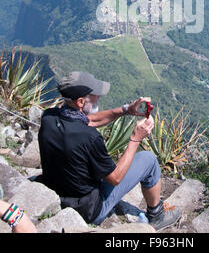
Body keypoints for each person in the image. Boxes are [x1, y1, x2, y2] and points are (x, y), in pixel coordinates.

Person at [38, 71, 181, 231]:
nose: (99, 97)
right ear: (80, 102)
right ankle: (157, 216)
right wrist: (135, 139)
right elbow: (115, 178)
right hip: (88, 210)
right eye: (95, 95)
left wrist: (126, 109)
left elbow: (89, 120)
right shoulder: (90, 137)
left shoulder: (49, 117)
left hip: (56, 193)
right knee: (149, 160)